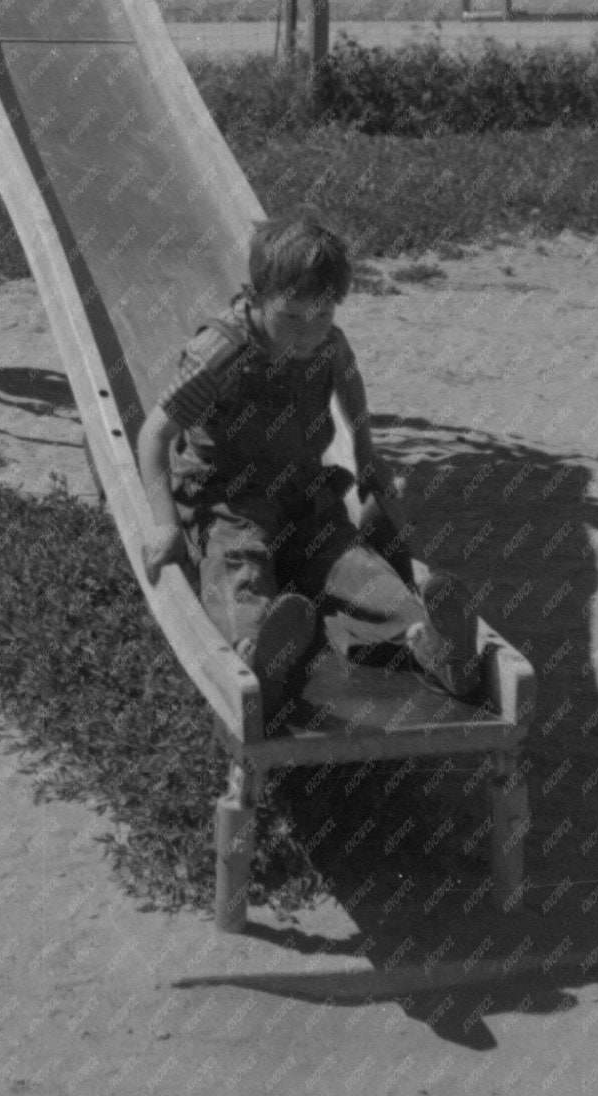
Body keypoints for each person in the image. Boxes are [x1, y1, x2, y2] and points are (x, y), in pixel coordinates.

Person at [137, 209, 482, 725]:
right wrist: (165, 522)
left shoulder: (328, 342)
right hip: (230, 497)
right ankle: (257, 652)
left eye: (321, 316)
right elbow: (154, 434)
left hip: (301, 494)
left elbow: (349, 383)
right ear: (255, 298)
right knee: (238, 562)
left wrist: (368, 457)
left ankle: (430, 642)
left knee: (351, 562)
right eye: (291, 317)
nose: (307, 332)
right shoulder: (220, 353)